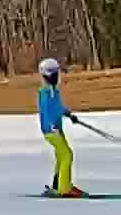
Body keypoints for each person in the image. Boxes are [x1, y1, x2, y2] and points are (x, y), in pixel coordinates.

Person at [37, 57, 89, 198]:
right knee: (67, 155)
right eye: (55, 74)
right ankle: (64, 188)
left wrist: (69, 114)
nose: (57, 77)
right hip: (51, 131)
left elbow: (58, 108)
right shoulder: (45, 93)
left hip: (56, 130)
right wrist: (52, 126)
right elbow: (46, 111)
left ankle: (58, 185)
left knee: (61, 156)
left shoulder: (54, 91)